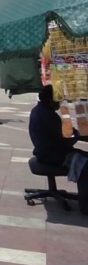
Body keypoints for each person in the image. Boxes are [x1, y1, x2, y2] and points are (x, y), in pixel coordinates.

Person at [28, 84, 87, 214]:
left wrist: (75, 133)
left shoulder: (39, 110)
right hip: (53, 156)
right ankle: (85, 206)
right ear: (51, 100)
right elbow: (66, 140)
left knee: (84, 156)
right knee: (85, 165)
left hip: (46, 152)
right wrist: (78, 135)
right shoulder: (49, 116)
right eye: (59, 100)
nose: (60, 104)